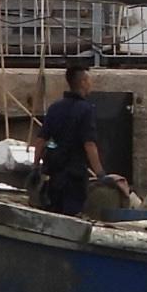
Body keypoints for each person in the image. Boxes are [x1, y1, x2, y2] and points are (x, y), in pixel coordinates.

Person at [38, 60, 104, 215]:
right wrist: (100, 172)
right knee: (71, 216)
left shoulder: (55, 108)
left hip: (54, 175)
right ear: (82, 82)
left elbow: (41, 139)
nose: (90, 85)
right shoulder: (86, 110)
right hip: (74, 176)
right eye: (89, 81)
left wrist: (36, 166)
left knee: (53, 213)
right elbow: (89, 144)